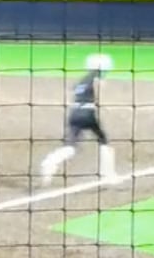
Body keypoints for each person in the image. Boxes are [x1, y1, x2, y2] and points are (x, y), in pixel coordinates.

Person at [38, 55, 120, 184]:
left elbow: (75, 94)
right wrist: (102, 106)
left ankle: (51, 161)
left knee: (71, 146)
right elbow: (98, 96)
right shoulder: (96, 79)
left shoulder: (82, 80)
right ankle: (108, 174)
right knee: (104, 141)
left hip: (74, 113)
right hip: (88, 114)